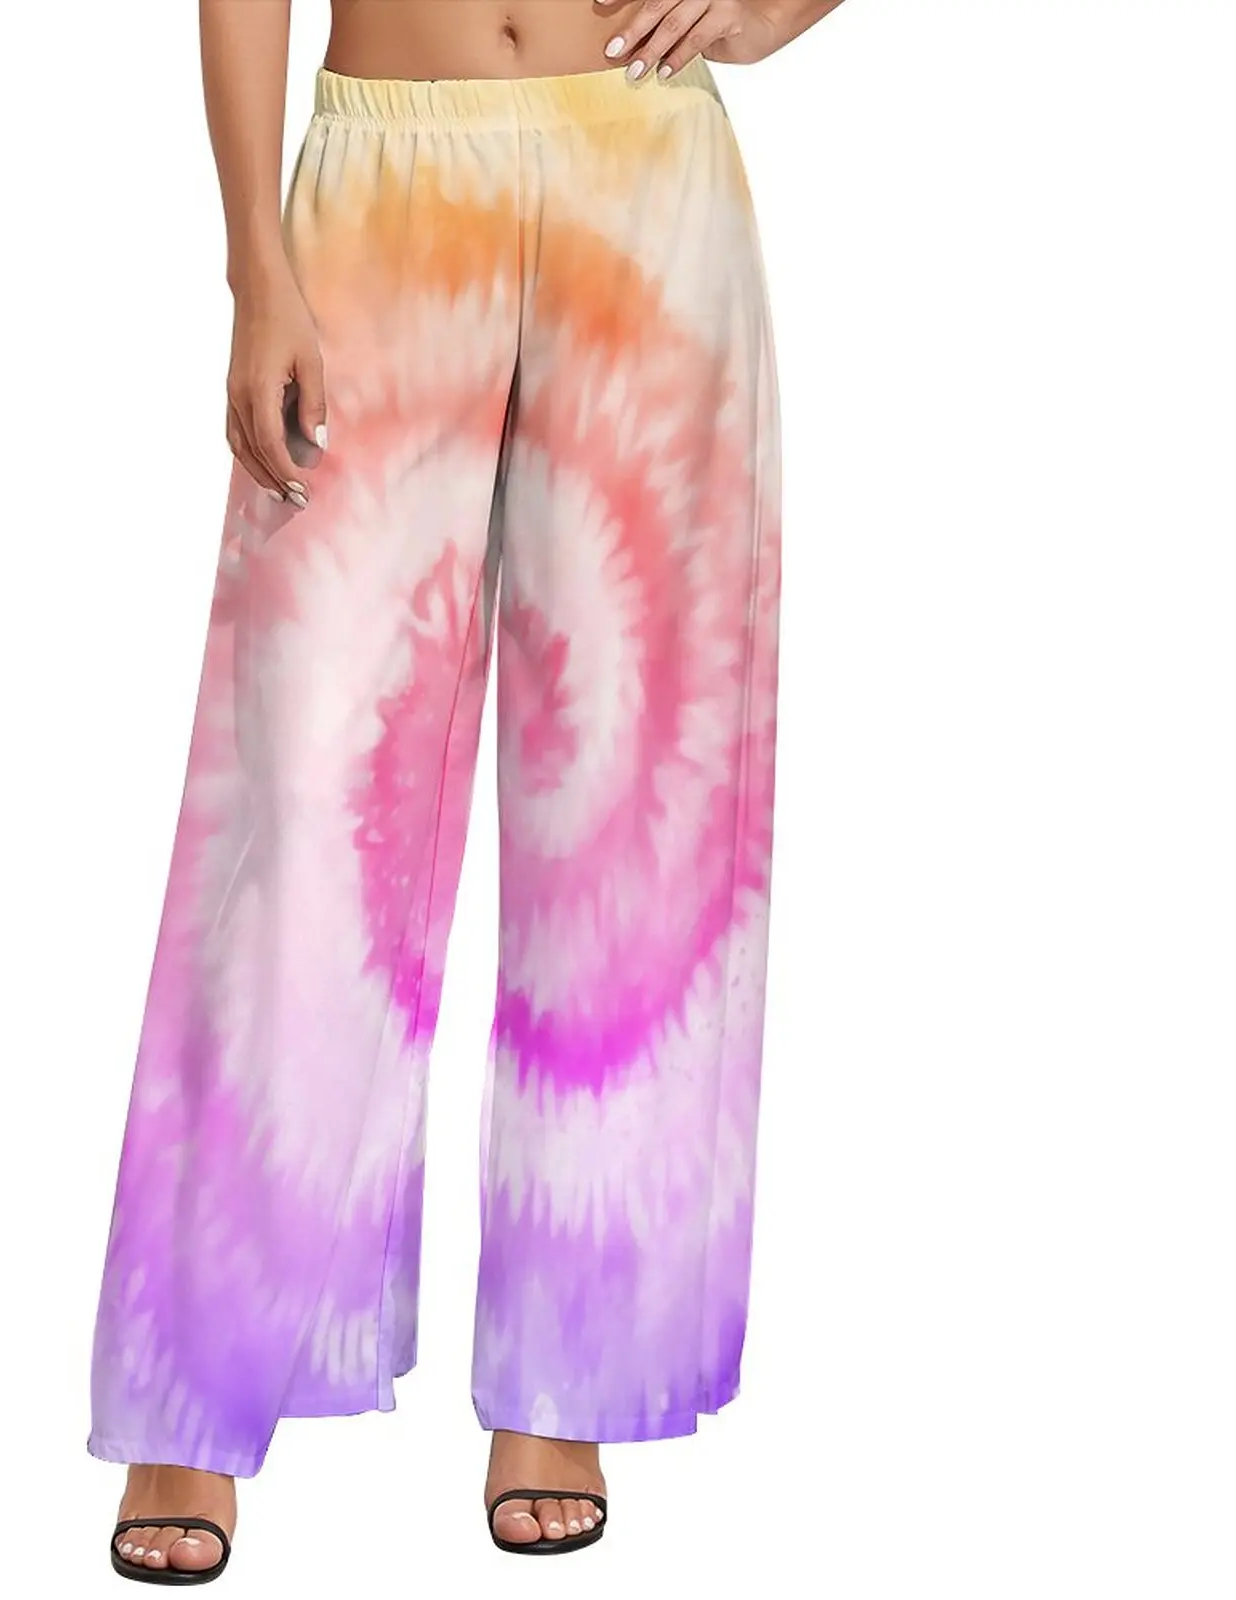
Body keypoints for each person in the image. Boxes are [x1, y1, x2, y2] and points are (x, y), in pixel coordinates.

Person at [90, 0, 842, 1582]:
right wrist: (256, 265)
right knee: (301, 799)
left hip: (644, 175)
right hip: (384, 188)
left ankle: (572, 1374)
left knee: (632, 797)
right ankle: (200, 1378)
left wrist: (778, 9)